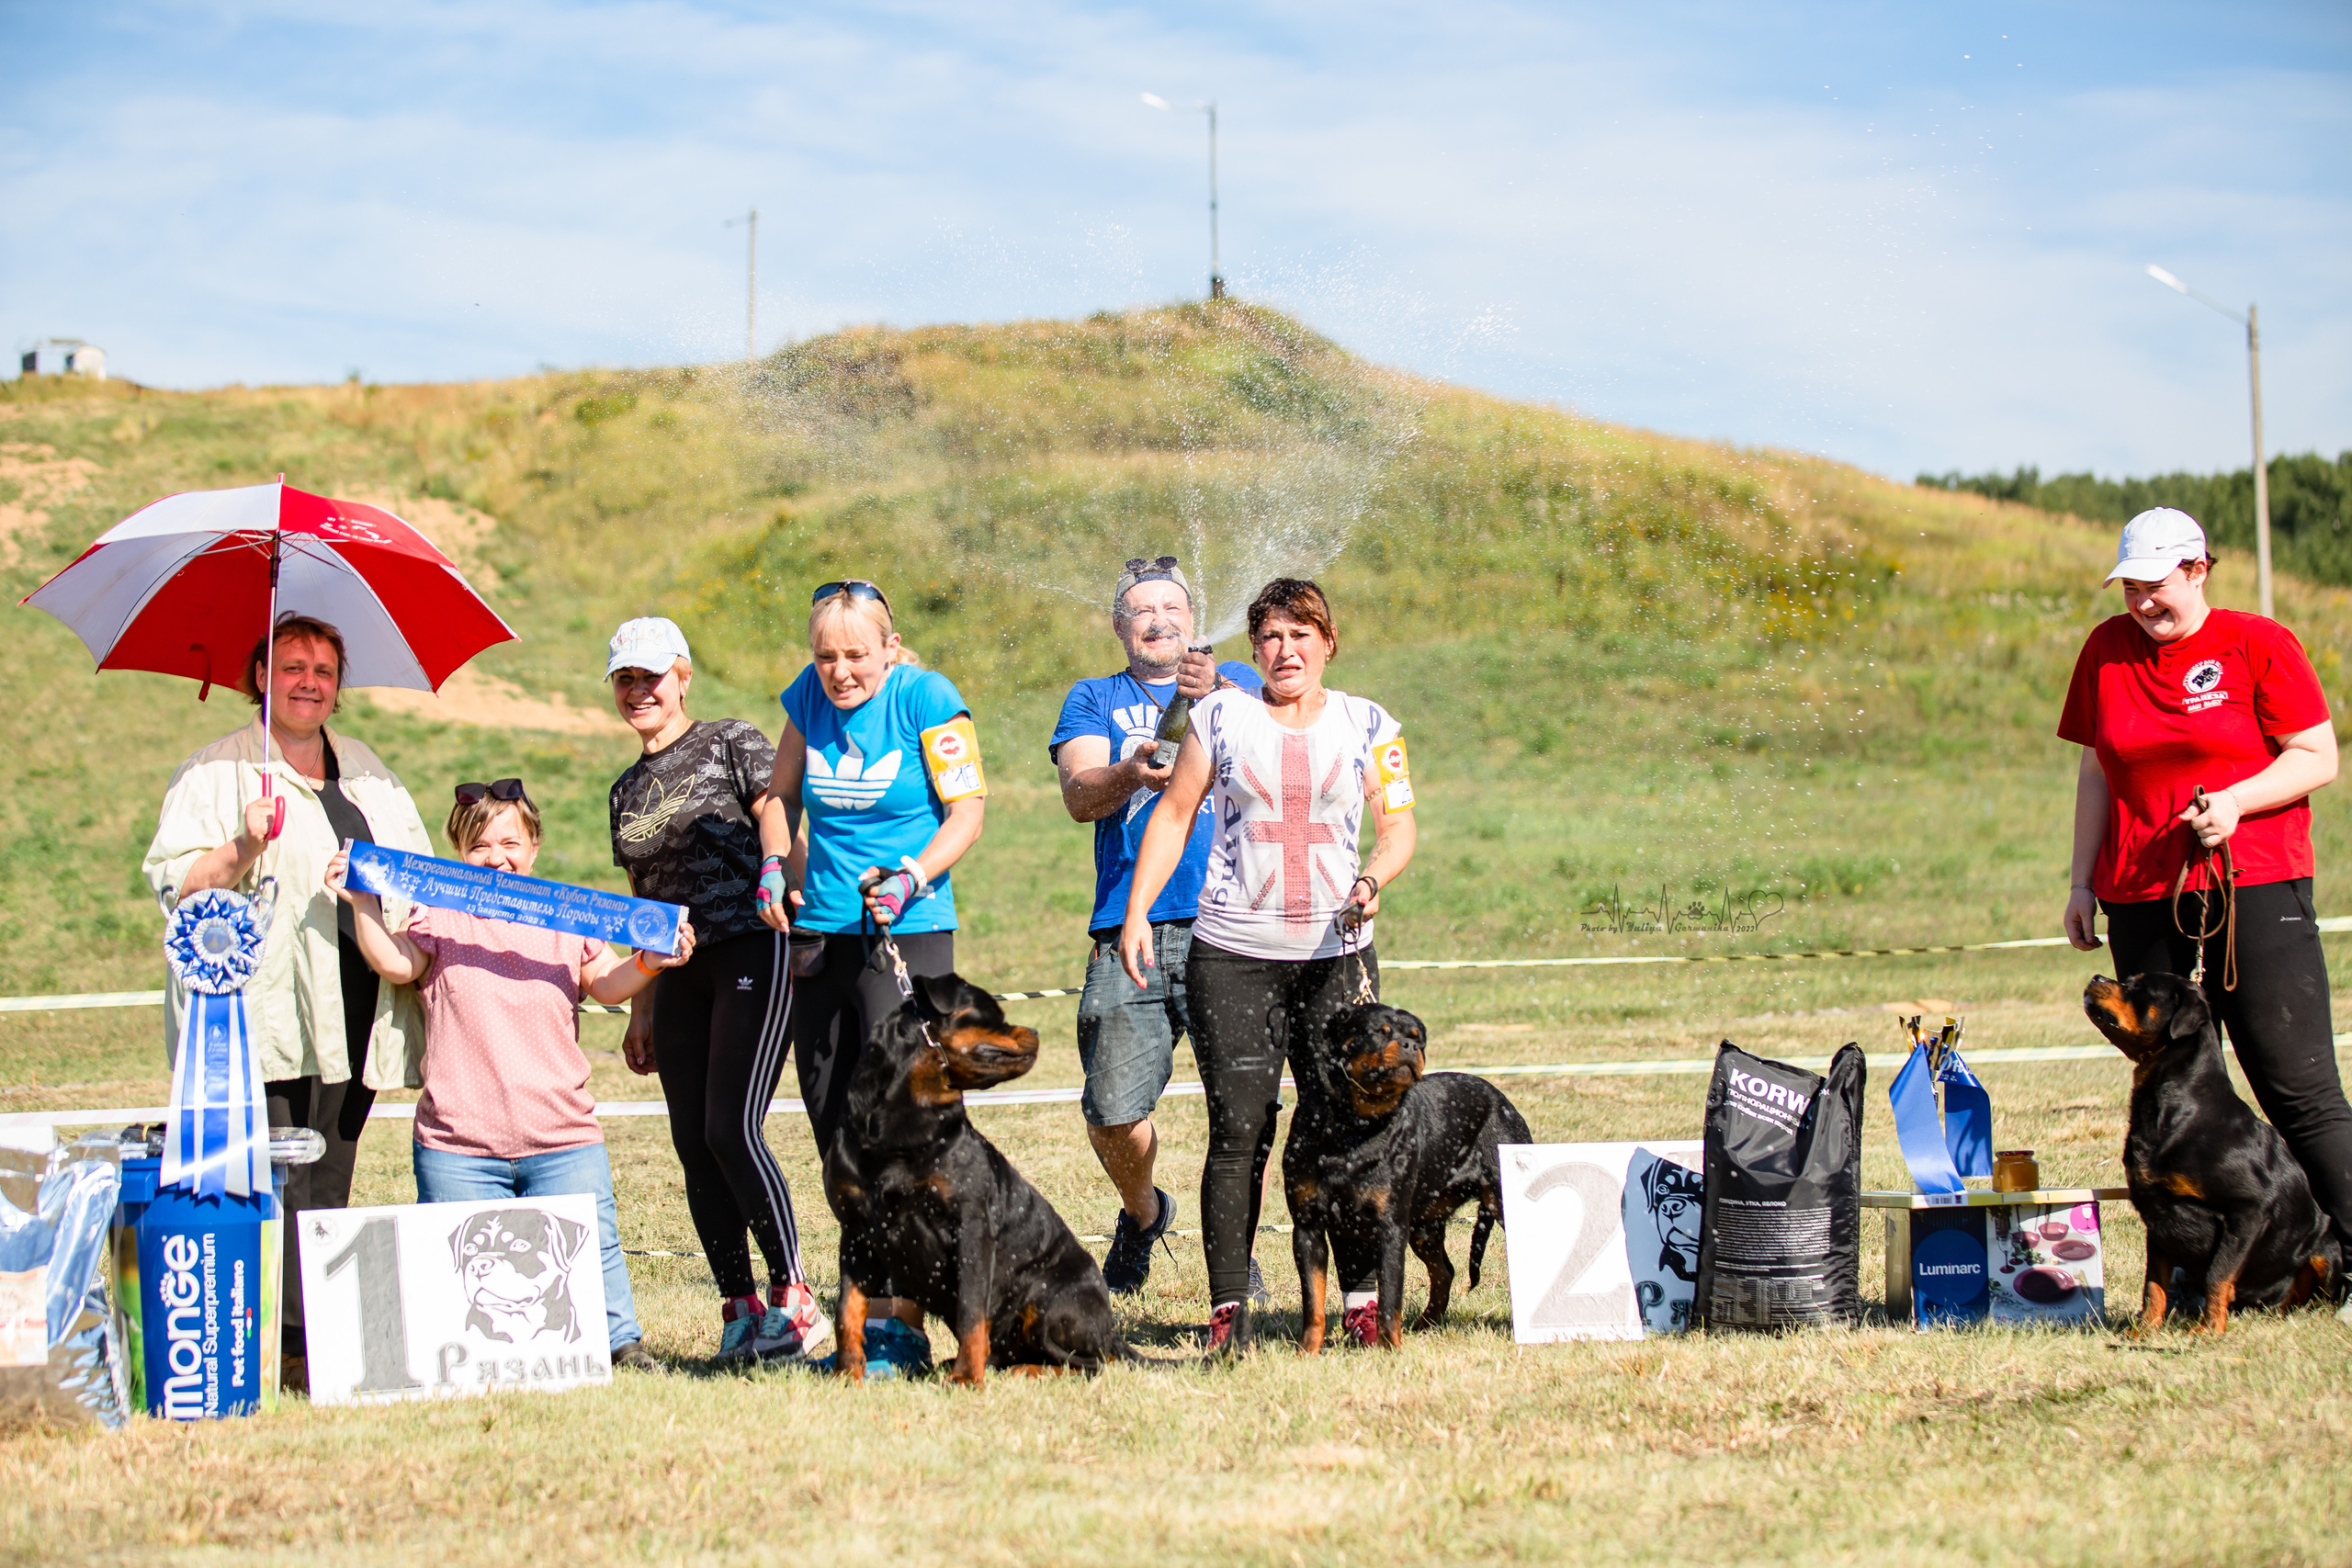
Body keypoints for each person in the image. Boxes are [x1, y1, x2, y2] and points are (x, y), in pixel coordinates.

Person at [1119, 578, 1419, 1352]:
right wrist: (1138, 911)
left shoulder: (1371, 723)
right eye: (1272, 638)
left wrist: (1371, 879)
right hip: (1234, 959)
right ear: (1254, 651)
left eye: (1302, 634)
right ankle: (1230, 1317)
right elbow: (1175, 813)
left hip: (1335, 958)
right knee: (1239, 1130)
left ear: (1328, 641)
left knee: (1354, 1127)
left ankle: (1358, 1303)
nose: (1287, 651)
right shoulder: (1220, 716)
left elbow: (1399, 827)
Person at [143, 612, 435, 1378]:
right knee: (274, 1176)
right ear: (262, 677)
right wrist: (244, 843)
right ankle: (262, 1340)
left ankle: (312, 1348)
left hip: (355, 1001)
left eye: (324, 670)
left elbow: (418, 871)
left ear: (339, 688)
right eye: (292, 666)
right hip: (260, 1013)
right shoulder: (213, 770)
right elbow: (177, 887)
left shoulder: (367, 770)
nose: (309, 681)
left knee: (331, 1173)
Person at [327, 778, 693, 1371]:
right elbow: (397, 962)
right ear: (458, 853)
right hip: (458, 1142)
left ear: (534, 845)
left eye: (510, 841)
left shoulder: (567, 916)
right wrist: (362, 904)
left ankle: (621, 1343)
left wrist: (653, 959)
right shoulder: (436, 912)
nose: (498, 857)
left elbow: (604, 984)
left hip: (561, 1134)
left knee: (595, 1249)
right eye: (480, 846)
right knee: (459, 1274)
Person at [2060, 507, 2350, 1250]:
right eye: (2131, 588)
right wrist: (2081, 881)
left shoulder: (2260, 643)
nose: (2143, 602)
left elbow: (2317, 756)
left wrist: (2236, 801)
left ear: (2198, 570)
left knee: (2297, 1090)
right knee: (2176, 1098)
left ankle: (2346, 1247)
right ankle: (2195, 1274)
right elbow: (2097, 768)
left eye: (2157, 585)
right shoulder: (2105, 650)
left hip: (2249, 883)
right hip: (2138, 894)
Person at [758, 580, 989, 1379]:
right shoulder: (806, 698)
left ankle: (903, 1324)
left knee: (899, 1133)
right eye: (826, 656)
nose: (840, 672)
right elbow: (779, 797)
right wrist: (773, 866)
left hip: (907, 934)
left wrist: (911, 876)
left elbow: (967, 813)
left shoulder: (929, 697)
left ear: (889, 649)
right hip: (822, 936)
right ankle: (871, 1314)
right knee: (835, 1135)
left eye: (857, 655)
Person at [605, 616, 829, 1366]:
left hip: (751, 945)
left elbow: (775, 807)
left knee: (733, 1127)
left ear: (682, 675)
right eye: (626, 680)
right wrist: (640, 1003)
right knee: (693, 1143)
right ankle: (739, 1310)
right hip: (675, 977)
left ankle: (794, 1298)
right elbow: (643, 895)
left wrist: (781, 875)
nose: (640, 691)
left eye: (651, 676)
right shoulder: (624, 790)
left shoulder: (730, 739)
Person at [1051, 557, 1262, 1295]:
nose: (1159, 620)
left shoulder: (1233, 681)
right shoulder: (1093, 698)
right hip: (1128, 928)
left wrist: (1227, 693)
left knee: (1240, 1109)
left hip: (1229, 925)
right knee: (1111, 1112)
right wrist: (1128, 773)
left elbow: (1287, 749)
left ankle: (1236, 1260)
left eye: (1171, 607)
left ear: (1193, 619)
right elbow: (1079, 795)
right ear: (1119, 626)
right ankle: (1144, 1213)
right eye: (1142, 610)